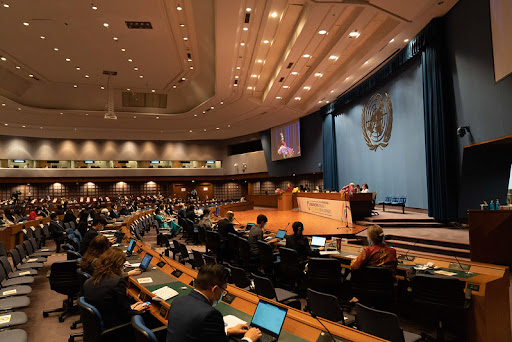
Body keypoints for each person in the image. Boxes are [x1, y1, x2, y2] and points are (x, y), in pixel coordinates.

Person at [166, 264, 262, 342]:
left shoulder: (177, 302)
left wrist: (226, 331)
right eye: (224, 290)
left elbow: (194, 333)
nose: (223, 293)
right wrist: (249, 338)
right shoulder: (210, 314)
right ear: (215, 289)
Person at [83, 248, 148, 337]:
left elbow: (111, 303)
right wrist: (135, 310)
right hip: (114, 324)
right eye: (122, 265)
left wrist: (129, 307)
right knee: (148, 315)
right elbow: (126, 314)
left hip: (100, 320)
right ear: (117, 265)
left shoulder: (89, 281)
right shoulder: (117, 282)